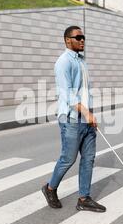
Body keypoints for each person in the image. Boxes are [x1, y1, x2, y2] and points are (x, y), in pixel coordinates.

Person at [41, 26, 106, 213]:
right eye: (78, 37)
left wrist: (89, 113)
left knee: (88, 159)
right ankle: (50, 188)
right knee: (68, 159)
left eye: (83, 37)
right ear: (67, 40)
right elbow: (68, 95)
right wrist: (87, 113)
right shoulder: (63, 62)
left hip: (86, 118)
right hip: (71, 119)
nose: (82, 40)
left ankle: (84, 198)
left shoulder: (81, 61)